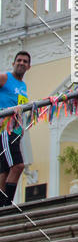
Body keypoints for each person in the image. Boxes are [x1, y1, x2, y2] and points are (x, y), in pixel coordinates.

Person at [0, 51, 31, 208]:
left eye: (25, 61)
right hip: (6, 129)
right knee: (18, 166)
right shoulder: (5, 78)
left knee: (5, 170)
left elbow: (20, 107)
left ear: (29, 66)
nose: (21, 63)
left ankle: (2, 205)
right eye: (19, 60)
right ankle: (6, 205)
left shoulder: (23, 86)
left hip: (17, 130)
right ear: (13, 63)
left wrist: (22, 126)